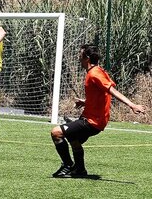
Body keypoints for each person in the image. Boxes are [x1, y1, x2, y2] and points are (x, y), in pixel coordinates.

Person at [51, 45, 146, 179]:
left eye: (80, 55)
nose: (78, 58)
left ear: (87, 58)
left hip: (92, 121)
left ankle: (67, 165)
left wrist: (132, 105)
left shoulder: (94, 74)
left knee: (56, 132)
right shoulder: (96, 72)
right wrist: (85, 102)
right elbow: (101, 94)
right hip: (91, 119)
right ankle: (80, 169)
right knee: (73, 138)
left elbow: (111, 91)